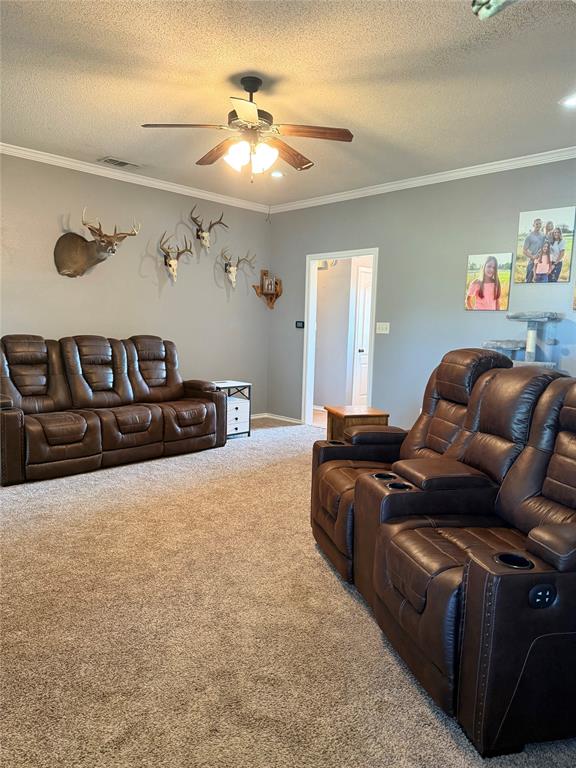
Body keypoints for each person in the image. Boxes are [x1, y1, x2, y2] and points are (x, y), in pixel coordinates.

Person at [523, 218, 545, 283]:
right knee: (529, 281)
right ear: (533, 225)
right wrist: (533, 257)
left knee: (539, 281)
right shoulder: (529, 236)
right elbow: (524, 250)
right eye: (537, 224)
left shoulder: (543, 235)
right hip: (532, 262)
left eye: (540, 224)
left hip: (541, 262)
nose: (538, 225)